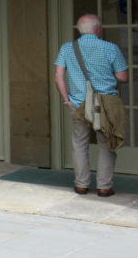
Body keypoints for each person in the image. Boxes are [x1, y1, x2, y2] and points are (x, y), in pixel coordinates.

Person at [54, 13, 130, 197]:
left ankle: (81, 185)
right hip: (105, 105)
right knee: (106, 145)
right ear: (97, 28)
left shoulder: (67, 48)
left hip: (78, 104)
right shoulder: (111, 48)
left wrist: (67, 101)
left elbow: (58, 76)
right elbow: (123, 77)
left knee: (80, 144)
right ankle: (104, 187)